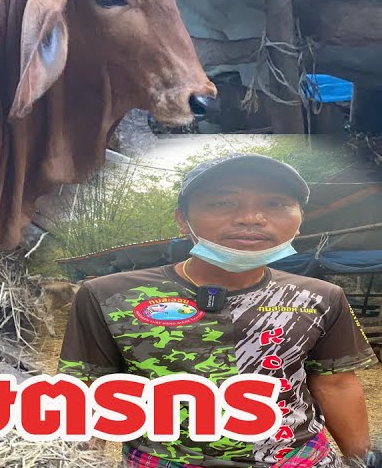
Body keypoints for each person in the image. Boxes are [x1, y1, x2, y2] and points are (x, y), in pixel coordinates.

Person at [57, 153, 379, 468]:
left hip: (297, 458)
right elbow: (87, 389)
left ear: (299, 221)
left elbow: (336, 384)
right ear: (182, 220)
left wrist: (361, 462)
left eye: (276, 204)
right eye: (222, 203)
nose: (251, 218)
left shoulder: (320, 296)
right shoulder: (109, 295)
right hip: (167, 459)